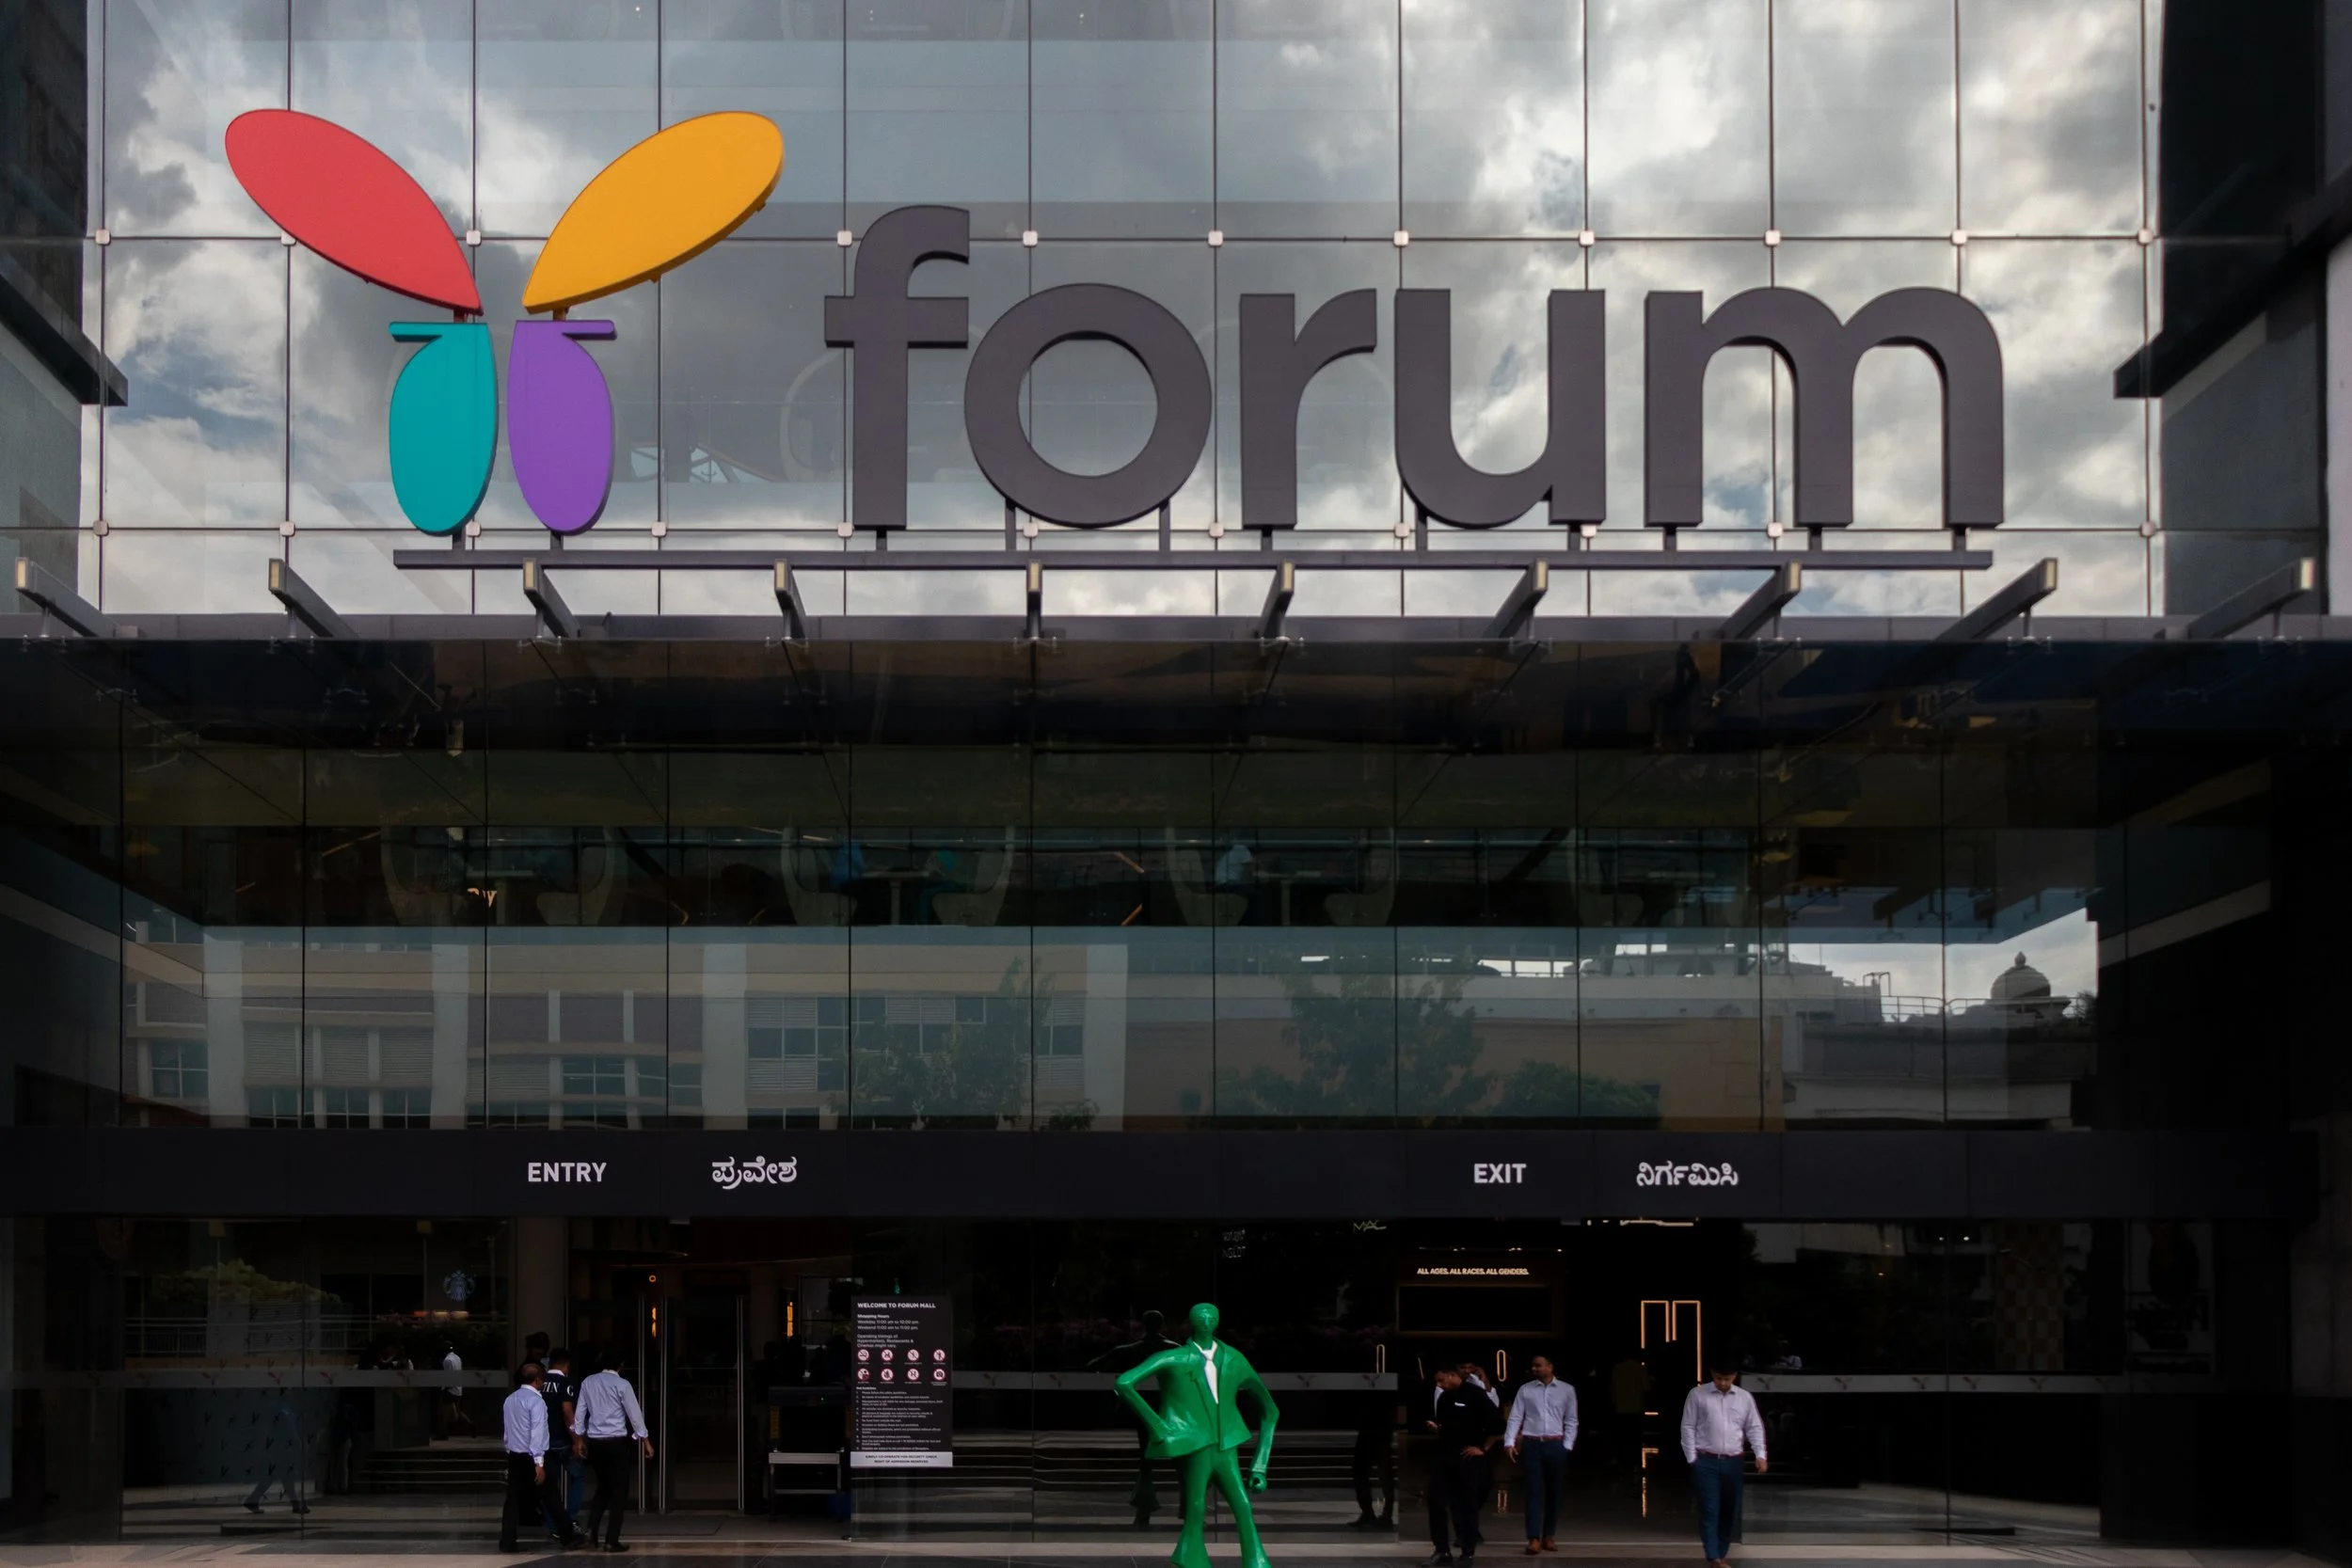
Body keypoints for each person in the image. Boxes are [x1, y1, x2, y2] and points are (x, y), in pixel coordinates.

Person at [1113, 1303, 1280, 1568]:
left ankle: (1254, 1561)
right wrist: (1156, 1425)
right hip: (1198, 1444)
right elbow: (1123, 1383)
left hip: (1226, 1446)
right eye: (1200, 1317)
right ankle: (1193, 1558)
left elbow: (1270, 1411)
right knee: (1196, 1506)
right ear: (1191, 1322)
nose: (1206, 1321)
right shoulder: (1176, 1357)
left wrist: (1260, 1465)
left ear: (1217, 1321)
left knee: (1242, 1506)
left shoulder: (1234, 1360)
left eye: (1211, 1316)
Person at [1088, 1309, 1180, 1528]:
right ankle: (1189, 1512)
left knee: (1147, 1459)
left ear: (1143, 1325)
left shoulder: (1130, 1350)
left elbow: (1093, 1366)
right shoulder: (1175, 1350)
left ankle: (1143, 1512)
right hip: (1170, 1409)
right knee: (1182, 1460)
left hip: (1142, 1409)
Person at [1679, 1356, 1767, 1568]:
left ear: (1734, 1377)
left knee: (1730, 1509)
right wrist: (1692, 1458)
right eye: (1719, 1378)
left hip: (1733, 1461)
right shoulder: (1697, 1395)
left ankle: (1721, 1551)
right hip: (1706, 1460)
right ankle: (1713, 1556)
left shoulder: (1744, 1398)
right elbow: (1688, 1426)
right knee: (1709, 1509)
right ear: (1712, 1374)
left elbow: (1753, 1427)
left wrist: (1760, 1454)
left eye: (1727, 1379)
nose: (1723, 1383)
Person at [574, 1353, 653, 1552]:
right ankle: (611, 1539)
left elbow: (580, 1413)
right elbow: (634, 1414)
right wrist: (645, 1440)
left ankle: (591, 1532)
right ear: (621, 1365)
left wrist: (579, 1438)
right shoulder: (622, 1384)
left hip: (596, 1443)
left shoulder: (587, 1382)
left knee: (602, 1487)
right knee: (618, 1492)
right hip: (616, 1442)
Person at [1423, 1368, 1502, 1565]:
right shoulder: (1444, 1399)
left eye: (1442, 1380)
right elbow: (1446, 1426)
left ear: (1452, 1375)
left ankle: (1467, 1552)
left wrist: (1483, 1448)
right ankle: (1441, 1550)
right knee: (1436, 1501)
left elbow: (1499, 1425)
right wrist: (1437, 1430)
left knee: (1467, 1505)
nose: (1439, 1385)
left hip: (1467, 1458)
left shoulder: (1475, 1395)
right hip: (1444, 1456)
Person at [1502, 1354, 1577, 1555]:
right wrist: (1509, 1442)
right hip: (1532, 1444)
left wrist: (1567, 1446)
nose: (1534, 1369)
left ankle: (1549, 1536)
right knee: (1533, 1492)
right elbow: (1516, 1416)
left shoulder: (1567, 1390)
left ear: (1550, 1367)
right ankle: (1533, 1538)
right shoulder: (1526, 1390)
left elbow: (1571, 1420)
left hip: (1555, 1444)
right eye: (1533, 1366)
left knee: (1554, 1492)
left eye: (1538, 1365)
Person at [501, 1362, 576, 1552]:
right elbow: (537, 1433)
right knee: (551, 1497)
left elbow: (507, 1432)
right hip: (533, 1457)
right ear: (537, 1380)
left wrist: (509, 1452)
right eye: (542, 1379)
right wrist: (539, 1462)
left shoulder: (510, 1399)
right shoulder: (536, 1401)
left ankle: (507, 1541)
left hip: (515, 1456)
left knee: (513, 1501)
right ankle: (568, 1536)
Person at [540, 1347, 583, 1538]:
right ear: (566, 1365)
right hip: (561, 1439)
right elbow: (567, 1412)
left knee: (550, 1485)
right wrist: (577, 1439)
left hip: (542, 1440)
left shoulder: (539, 1382)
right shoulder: (565, 1383)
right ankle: (571, 1518)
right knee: (578, 1475)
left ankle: (553, 1525)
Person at [440, 1343, 474, 1437]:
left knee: (443, 1412)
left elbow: (448, 1375)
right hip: (458, 1389)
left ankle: (444, 1434)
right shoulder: (458, 1358)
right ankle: (470, 1424)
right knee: (458, 1411)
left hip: (450, 1389)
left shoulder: (447, 1360)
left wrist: (445, 1388)